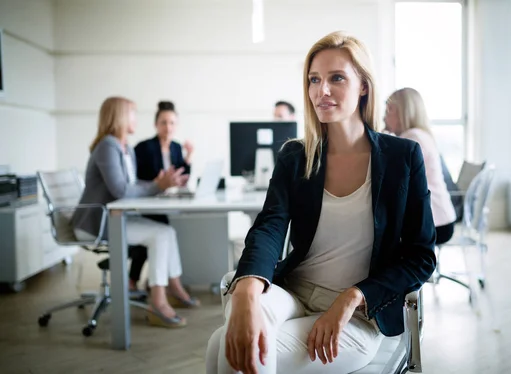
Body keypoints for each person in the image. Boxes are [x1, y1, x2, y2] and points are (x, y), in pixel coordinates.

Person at [206, 31, 436, 374]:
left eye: (336, 78)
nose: (321, 91)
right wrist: (245, 290)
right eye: (314, 79)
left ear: (363, 86)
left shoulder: (402, 157)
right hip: (294, 293)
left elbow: (421, 256)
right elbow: (269, 227)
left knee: (223, 349)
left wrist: (355, 295)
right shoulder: (296, 156)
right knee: (233, 334)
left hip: (356, 316)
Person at [71, 97, 199, 329]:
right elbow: (120, 190)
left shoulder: (124, 146)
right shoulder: (107, 146)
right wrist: (157, 186)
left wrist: (157, 183)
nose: (135, 120)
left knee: (167, 231)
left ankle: (172, 287)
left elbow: (133, 183)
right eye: (132, 114)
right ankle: (158, 302)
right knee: (160, 234)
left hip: (114, 219)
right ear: (120, 116)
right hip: (96, 223)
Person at [130, 101, 194, 289]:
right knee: (159, 224)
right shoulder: (144, 147)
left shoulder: (175, 147)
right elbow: (135, 179)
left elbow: (182, 175)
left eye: (172, 123)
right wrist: (157, 183)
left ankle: (151, 280)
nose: (168, 127)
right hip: (146, 201)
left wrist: (189, 156)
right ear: (156, 124)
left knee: (165, 224)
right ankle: (141, 280)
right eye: (164, 122)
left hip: (167, 200)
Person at [384, 87, 457, 244]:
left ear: (403, 112)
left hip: (435, 221)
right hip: (442, 216)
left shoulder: (412, 138)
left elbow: (397, 179)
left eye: (389, 110)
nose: (384, 116)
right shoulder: (420, 135)